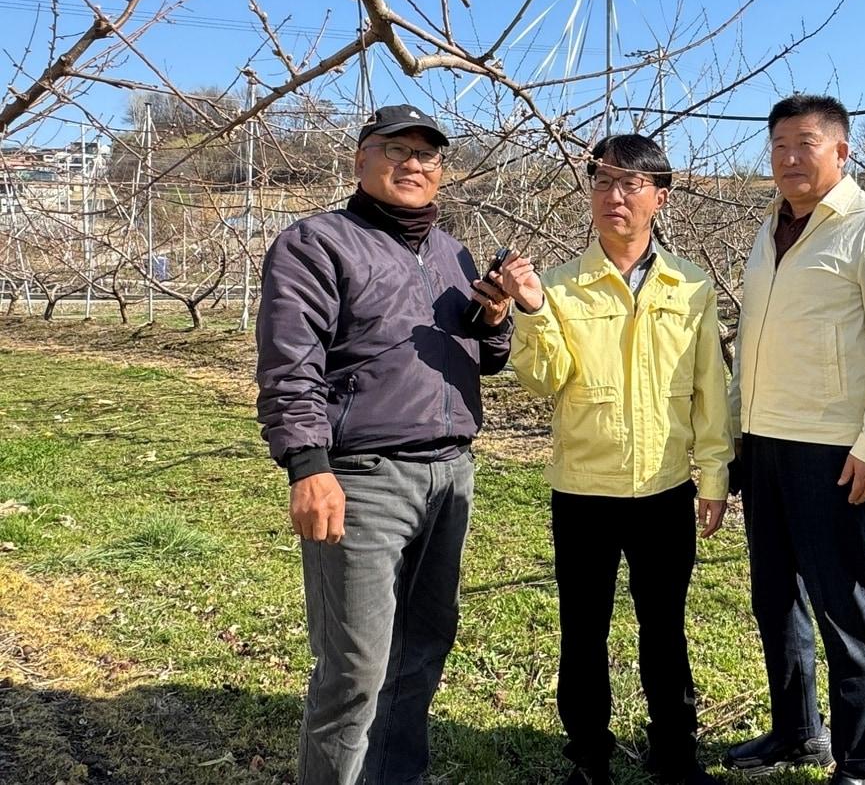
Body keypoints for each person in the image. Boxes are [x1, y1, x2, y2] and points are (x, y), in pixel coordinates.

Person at [256, 104, 515, 785]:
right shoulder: (316, 244)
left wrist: (492, 317)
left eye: (427, 155)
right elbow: (290, 364)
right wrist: (308, 465)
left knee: (422, 652)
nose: (412, 164)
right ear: (360, 161)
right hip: (363, 477)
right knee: (355, 669)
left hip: (451, 474)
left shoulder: (453, 252)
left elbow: (486, 358)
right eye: (394, 149)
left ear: (442, 171)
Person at [493, 134, 732, 785]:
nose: (614, 196)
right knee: (583, 631)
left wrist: (713, 475)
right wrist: (534, 309)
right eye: (602, 182)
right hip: (584, 489)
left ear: (661, 196)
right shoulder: (564, 287)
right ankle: (589, 757)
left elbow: (711, 389)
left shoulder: (691, 287)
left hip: (663, 487)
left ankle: (675, 754)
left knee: (664, 631)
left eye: (631, 184)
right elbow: (544, 380)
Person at [723, 95, 865, 785]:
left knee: (843, 603)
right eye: (778, 144)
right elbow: (751, 339)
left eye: (804, 143)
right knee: (772, 596)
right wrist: (735, 431)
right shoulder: (769, 224)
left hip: (832, 447)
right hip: (764, 440)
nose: (788, 158)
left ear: (842, 151)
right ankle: (797, 732)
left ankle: (864, 761)